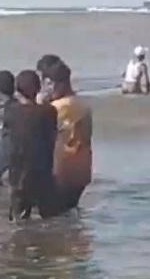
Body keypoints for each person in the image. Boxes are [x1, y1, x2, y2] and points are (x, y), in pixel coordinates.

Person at [5, 70, 58, 221]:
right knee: (49, 217)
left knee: (18, 218)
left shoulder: (11, 112)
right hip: (42, 170)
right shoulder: (48, 111)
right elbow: (52, 135)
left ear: (17, 90)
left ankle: (21, 241)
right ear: (38, 88)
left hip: (18, 172)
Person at [43, 57, 93, 210]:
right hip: (83, 170)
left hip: (62, 170)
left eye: (49, 85)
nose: (47, 90)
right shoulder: (83, 105)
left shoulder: (57, 108)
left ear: (59, 84)